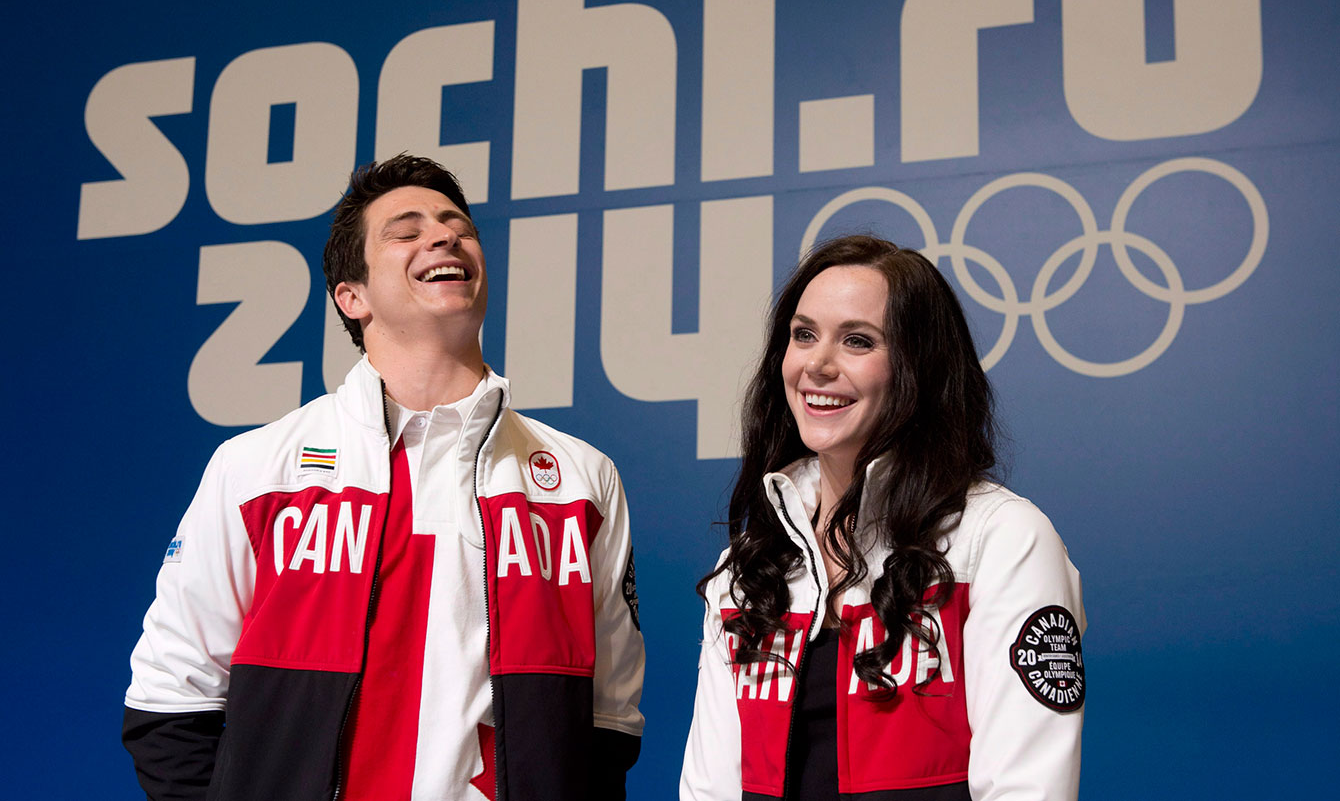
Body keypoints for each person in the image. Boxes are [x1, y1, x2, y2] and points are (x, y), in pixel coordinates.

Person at [123, 154, 644, 801]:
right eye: (406, 230)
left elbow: (610, 726)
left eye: (458, 224)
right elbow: (169, 707)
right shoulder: (256, 471)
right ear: (353, 296)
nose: (445, 235)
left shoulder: (580, 481)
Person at [680, 235, 1084, 800]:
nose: (818, 365)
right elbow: (711, 789)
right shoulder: (747, 569)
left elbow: (1028, 788)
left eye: (857, 341)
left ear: (918, 368)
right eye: (803, 335)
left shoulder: (1002, 539)